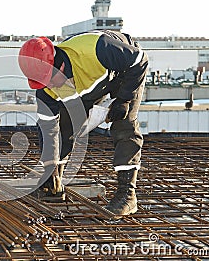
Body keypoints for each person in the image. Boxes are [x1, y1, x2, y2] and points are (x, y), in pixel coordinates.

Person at [18, 30, 148, 217]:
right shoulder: (46, 89)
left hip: (124, 71)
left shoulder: (97, 48)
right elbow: (49, 130)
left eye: (50, 79)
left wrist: (123, 100)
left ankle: (127, 195)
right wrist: (50, 167)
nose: (51, 86)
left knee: (123, 124)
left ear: (57, 64)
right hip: (89, 85)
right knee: (65, 125)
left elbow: (139, 60)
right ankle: (55, 185)